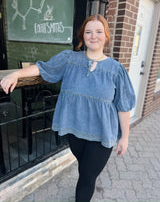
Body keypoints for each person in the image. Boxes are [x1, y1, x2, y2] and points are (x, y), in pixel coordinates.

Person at [0, 14, 135, 202]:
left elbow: (124, 106)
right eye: (88, 32)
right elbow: (42, 68)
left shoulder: (117, 70)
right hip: (75, 132)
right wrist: (16, 74)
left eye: (98, 31)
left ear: (106, 36)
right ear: (83, 36)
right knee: (84, 170)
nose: (93, 36)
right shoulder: (69, 59)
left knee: (87, 177)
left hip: (102, 135)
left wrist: (125, 138)